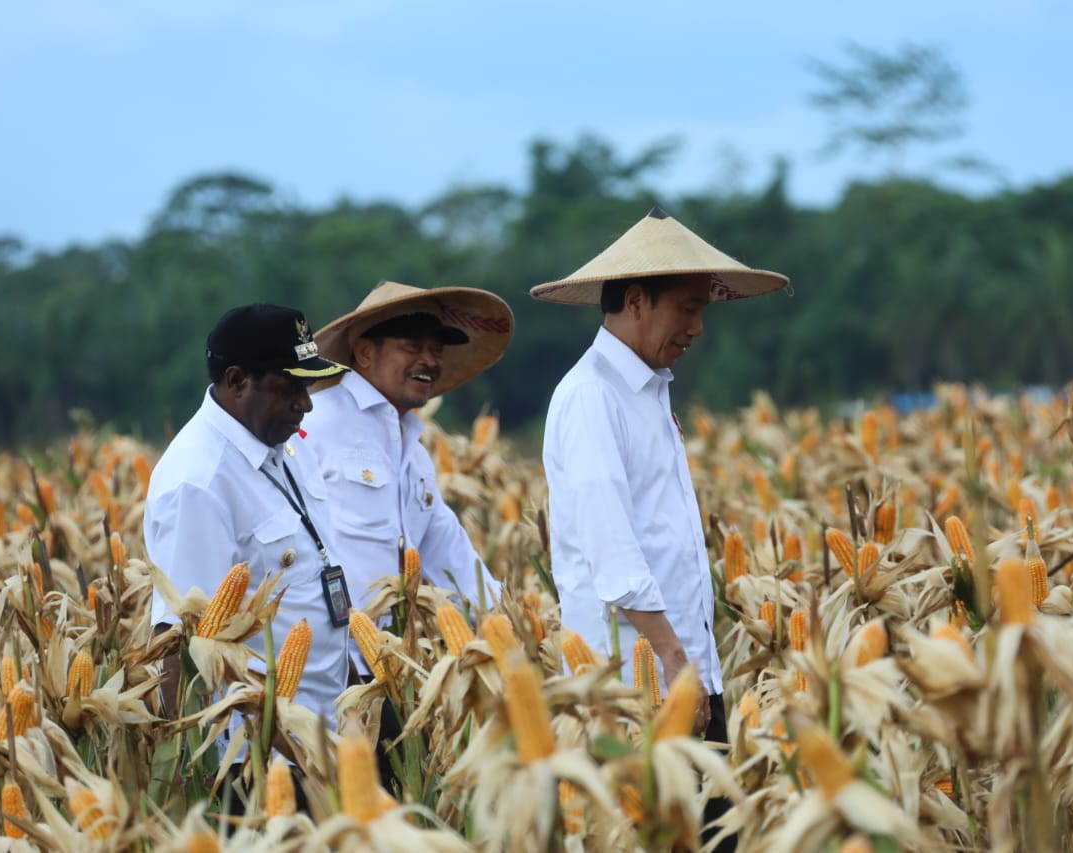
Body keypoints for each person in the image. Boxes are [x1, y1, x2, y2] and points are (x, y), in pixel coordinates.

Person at [533, 207, 788, 851]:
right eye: (688, 309)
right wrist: (675, 659)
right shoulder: (591, 397)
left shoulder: (650, 390)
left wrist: (696, 666)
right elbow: (613, 550)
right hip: (636, 685)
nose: (699, 328)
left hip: (685, 674)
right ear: (637, 300)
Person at [145, 303, 353, 810]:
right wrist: (181, 779)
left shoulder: (281, 447)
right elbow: (182, 635)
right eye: (291, 388)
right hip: (258, 759)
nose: (306, 405)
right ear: (238, 381)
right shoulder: (200, 481)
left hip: (323, 736)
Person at [305, 280, 513, 636]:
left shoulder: (413, 452)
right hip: (327, 658)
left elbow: (447, 549)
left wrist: (512, 624)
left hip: (392, 660)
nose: (429, 361)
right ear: (366, 352)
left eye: (436, 350)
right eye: (412, 347)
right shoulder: (314, 424)